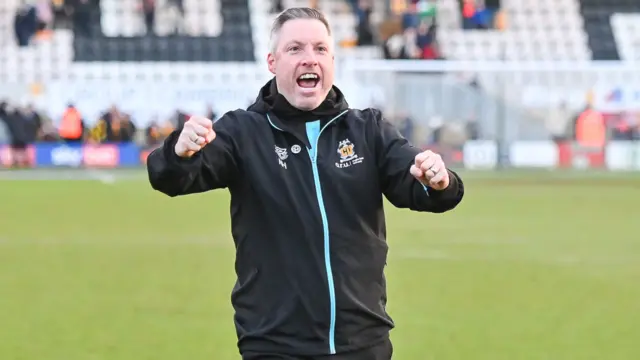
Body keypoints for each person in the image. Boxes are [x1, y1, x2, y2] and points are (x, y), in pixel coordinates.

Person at [146, 7, 464, 360]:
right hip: (274, 345)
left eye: (320, 49)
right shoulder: (243, 132)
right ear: (272, 62)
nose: (309, 59)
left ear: (332, 59)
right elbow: (171, 177)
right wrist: (180, 151)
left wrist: (438, 180)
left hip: (362, 343)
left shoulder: (367, 130)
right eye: (295, 49)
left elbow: (421, 185)